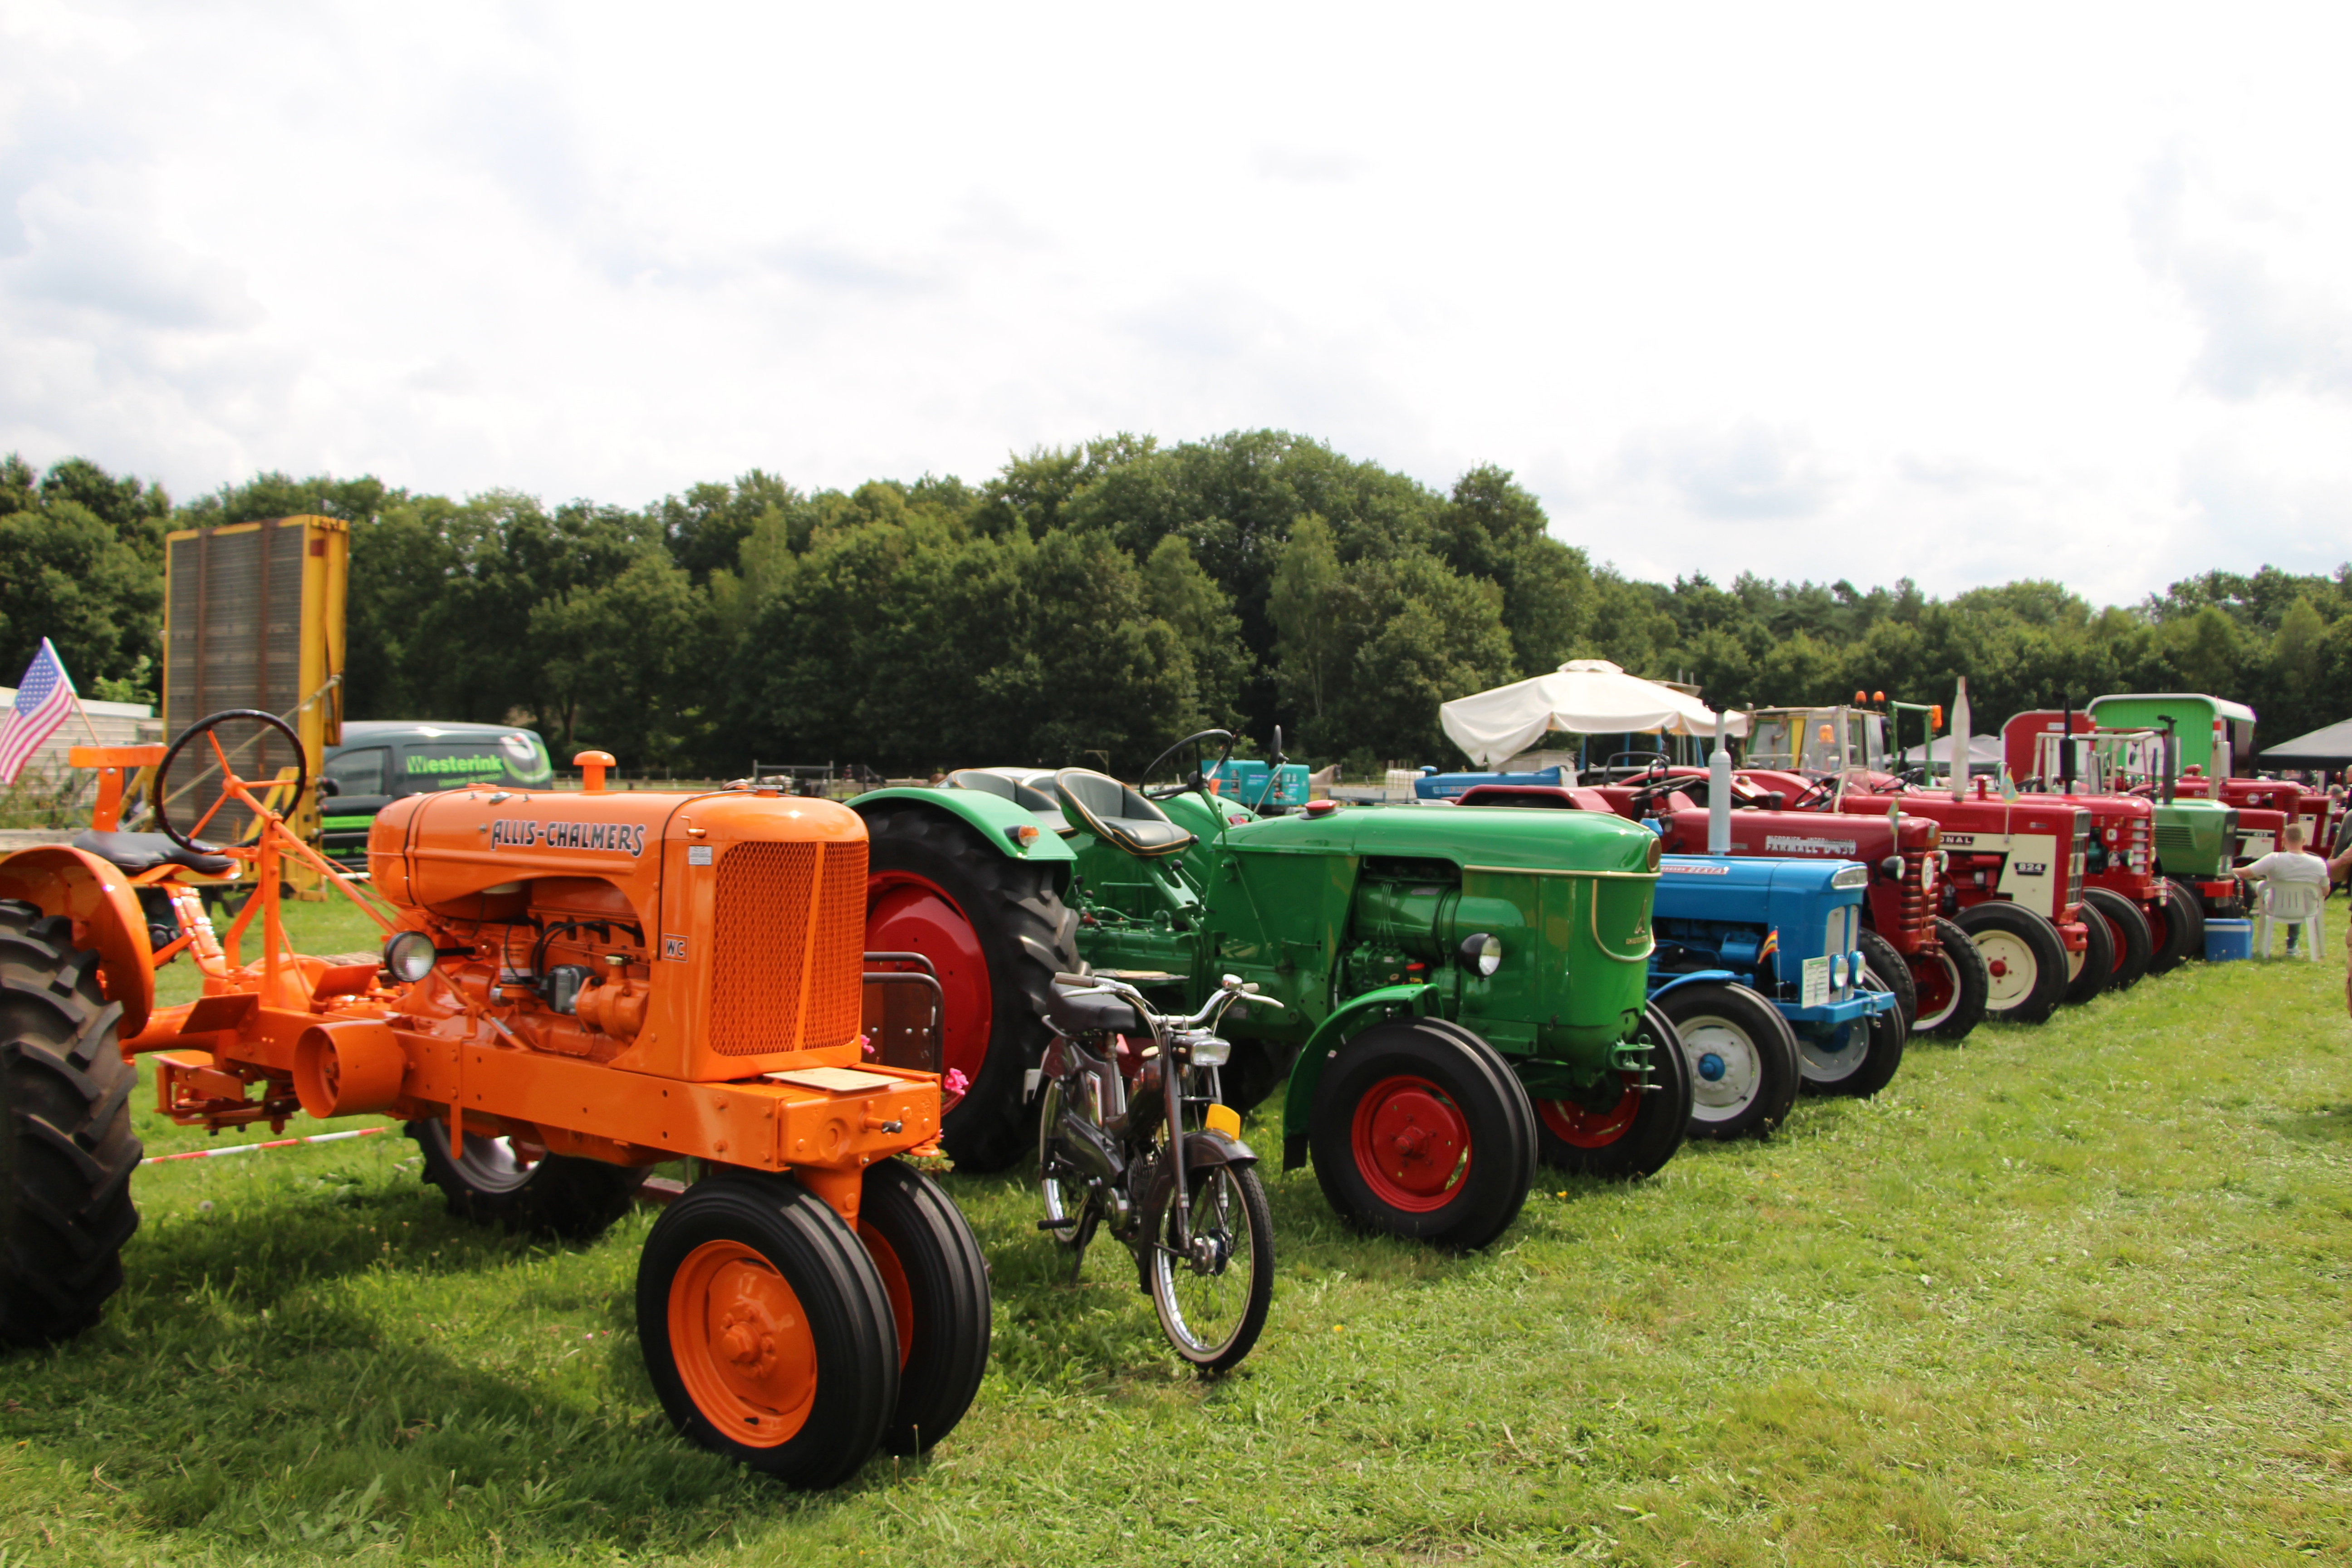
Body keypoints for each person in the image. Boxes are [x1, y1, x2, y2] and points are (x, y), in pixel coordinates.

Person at [2236, 824, 2336, 953]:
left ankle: (2263, 942)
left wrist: (2225, 869)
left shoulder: (2274, 859)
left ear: (2284, 840)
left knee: (2261, 885)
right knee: (2301, 899)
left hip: (2276, 907)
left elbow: (2245, 873)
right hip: (2307, 910)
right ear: (2304, 841)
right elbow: (2325, 891)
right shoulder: (2319, 863)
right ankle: (2293, 944)